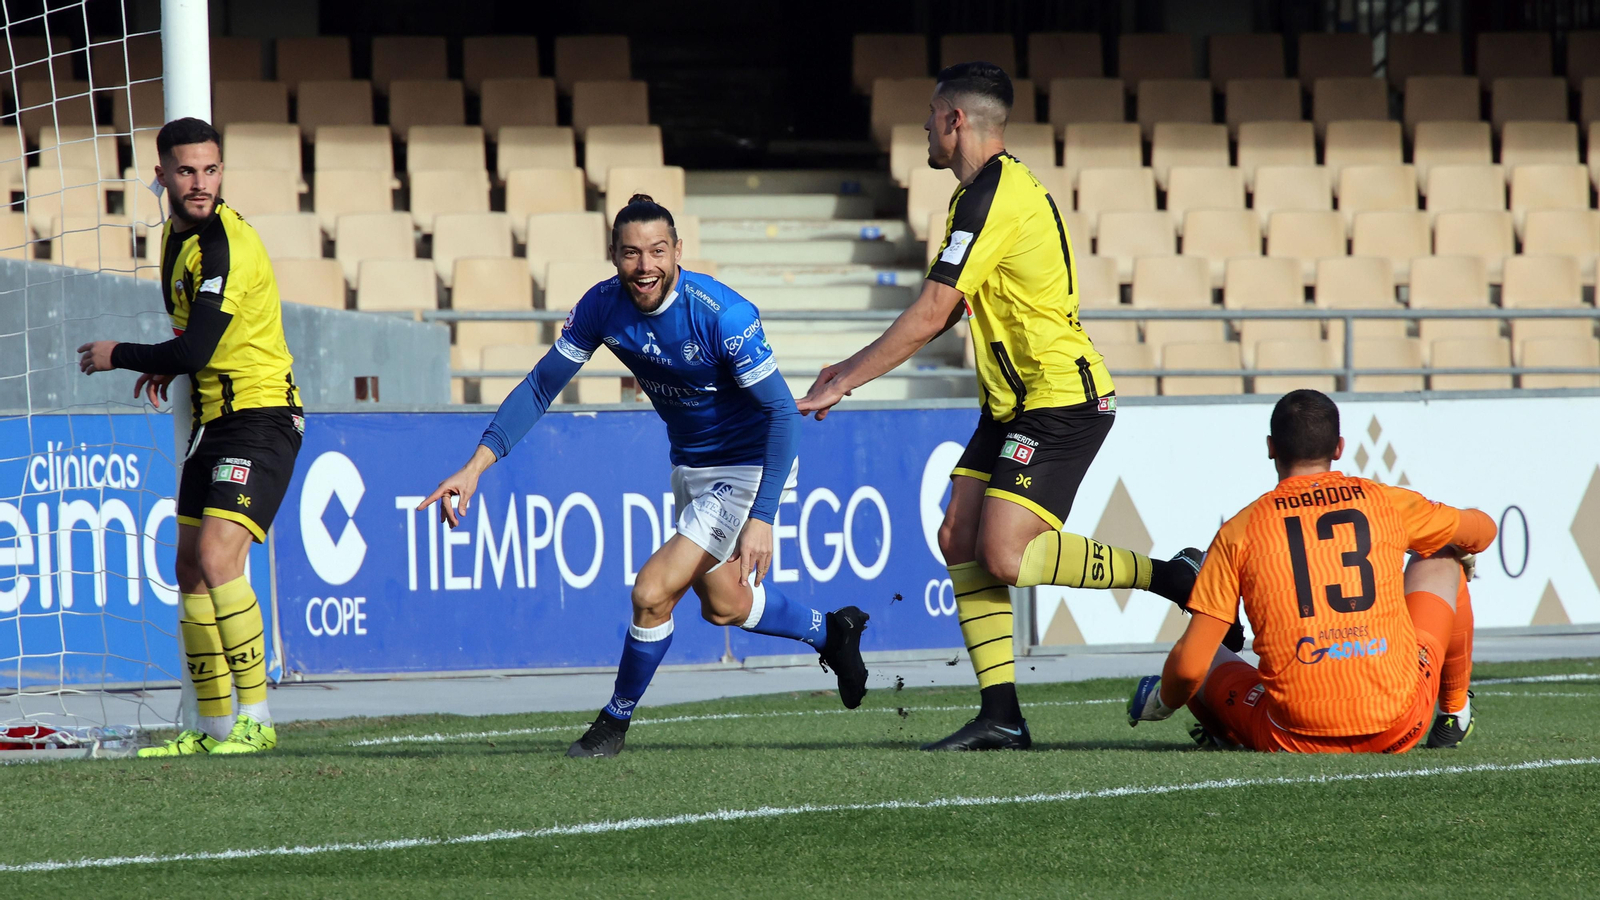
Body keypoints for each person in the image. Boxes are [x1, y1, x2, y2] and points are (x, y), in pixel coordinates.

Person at [797, 62, 1211, 752]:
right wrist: (849, 367)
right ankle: (1002, 714)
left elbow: (934, 311)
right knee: (959, 538)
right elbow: (955, 304)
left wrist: (846, 377)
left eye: (932, 116)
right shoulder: (978, 197)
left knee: (1005, 554)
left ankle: (1174, 576)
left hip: (1061, 399)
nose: (925, 129)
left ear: (955, 120)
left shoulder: (995, 197)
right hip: (1012, 404)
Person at [420, 195, 870, 759]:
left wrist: (762, 518)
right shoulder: (602, 307)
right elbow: (540, 387)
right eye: (631, 253)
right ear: (613, 256)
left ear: (678, 251)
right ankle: (833, 632)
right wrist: (474, 467)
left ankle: (612, 724)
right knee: (726, 605)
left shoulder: (721, 313)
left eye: (658, 251)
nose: (645, 265)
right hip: (692, 466)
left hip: (752, 465)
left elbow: (781, 413)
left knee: (652, 592)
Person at [78, 117, 302, 756]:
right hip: (215, 423)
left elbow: (200, 343)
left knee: (217, 558)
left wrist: (118, 352)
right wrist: (166, 359)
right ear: (162, 177)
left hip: (261, 417)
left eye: (210, 169)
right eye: (186, 171)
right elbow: (198, 345)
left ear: (222, 171)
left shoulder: (225, 245)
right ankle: (211, 727)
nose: (200, 183)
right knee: (187, 567)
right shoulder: (178, 241)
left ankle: (256, 719)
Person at [1128, 390, 1493, 753]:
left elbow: (1191, 665)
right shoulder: (1384, 502)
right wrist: (1461, 545)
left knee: (1199, 652)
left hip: (1288, 738)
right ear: (1339, 448)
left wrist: (1163, 700)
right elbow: (1484, 530)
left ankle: (1225, 733)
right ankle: (1454, 710)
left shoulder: (1239, 530)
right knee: (1445, 555)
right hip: (1397, 726)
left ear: (1271, 447)